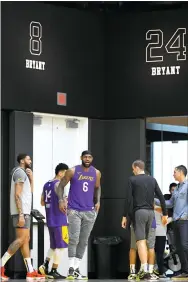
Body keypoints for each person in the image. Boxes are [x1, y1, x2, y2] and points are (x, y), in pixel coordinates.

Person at [56, 150, 101, 280]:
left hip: (89, 210)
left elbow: (97, 187)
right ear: (81, 158)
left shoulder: (96, 173)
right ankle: (70, 268)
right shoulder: (72, 171)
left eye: (89, 157)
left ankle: (76, 268)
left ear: (92, 159)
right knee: (74, 238)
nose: (87, 159)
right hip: (74, 210)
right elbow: (60, 186)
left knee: (83, 240)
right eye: (85, 157)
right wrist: (60, 200)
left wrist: (98, 201)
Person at [0, 154, 45, 280]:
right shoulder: (19, 172)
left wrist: (31, 178)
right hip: (21, 212)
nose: (30, 160)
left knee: (26, 239)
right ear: (22, 160)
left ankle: (30, 271)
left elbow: (29, 192)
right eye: (28, 159)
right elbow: (17, 195)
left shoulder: (24, 173)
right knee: (20, 239)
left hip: (25, 211)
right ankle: (1, 265)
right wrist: (20, 214)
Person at [122, 160, 168, 280]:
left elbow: (128, 199)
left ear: (137, 168)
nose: (133, 171)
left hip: (139, 212)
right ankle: (149, 270)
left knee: (140, 241)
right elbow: (161, 197)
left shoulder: (132, 179)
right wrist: (165, 214)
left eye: (133, 169)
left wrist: (124, 216)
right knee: (150, 244)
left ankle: (144, 269)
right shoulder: (152, 179)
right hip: (151, 213)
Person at [155, 165, 188, 280]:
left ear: (180, 172)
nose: (173, 174)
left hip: (185, 221)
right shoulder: (177, 188)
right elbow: (169, 203)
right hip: (176, 221)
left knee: (184, 245)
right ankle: (185, 270)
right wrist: (154, 200)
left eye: (174, 172)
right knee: (178, 247)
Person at [39, 163, 69, 279]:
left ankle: (45, 266)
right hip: (60, 219)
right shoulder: (60, 185)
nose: (66, 177)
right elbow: (65, 204)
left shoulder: (47, 184)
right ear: (60, 173)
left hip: (50, 219)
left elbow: (42, 202)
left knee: (54, 246)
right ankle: (54, 270)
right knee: (61, 246)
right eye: (65, 174)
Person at [154, 204, 172, 279]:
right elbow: (165, 222)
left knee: (154, 252)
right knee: (160, 253)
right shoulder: (164, 211)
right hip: (161, 233)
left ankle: (154, 270)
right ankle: (160, 271)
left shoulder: (152, 209)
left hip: (153, 233)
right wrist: (172, 218)